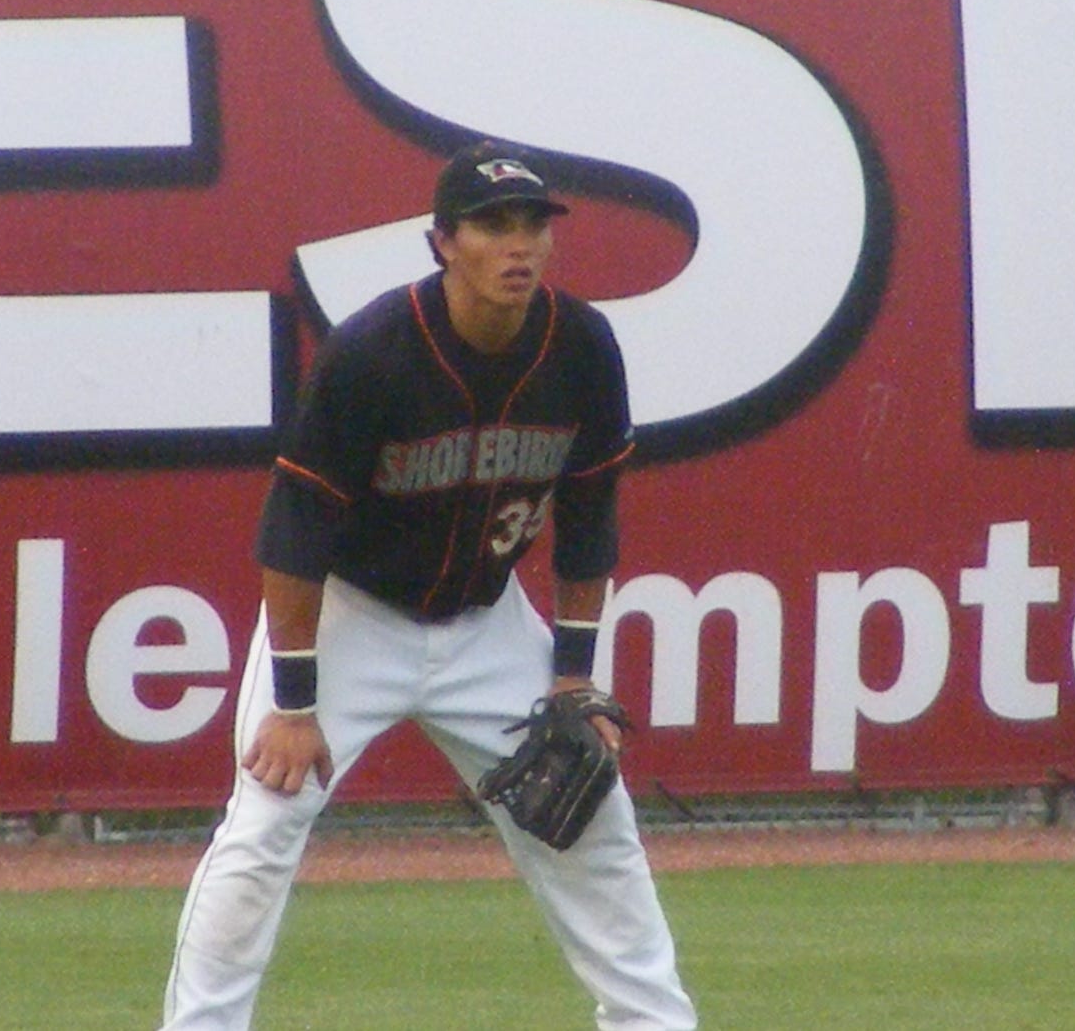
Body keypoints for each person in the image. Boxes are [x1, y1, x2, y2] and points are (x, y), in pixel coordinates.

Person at [160, 140, 697, 1030]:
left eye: (532, 224)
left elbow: (591, 513)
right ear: (443, 241)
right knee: (262, 827)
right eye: (492, 225)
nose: (517, 245)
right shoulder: (373, 351)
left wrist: (574, 677)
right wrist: (294, 703)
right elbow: (293, 532)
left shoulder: (583, 346)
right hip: (350, 616)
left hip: (486, 624)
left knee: (595, 822)